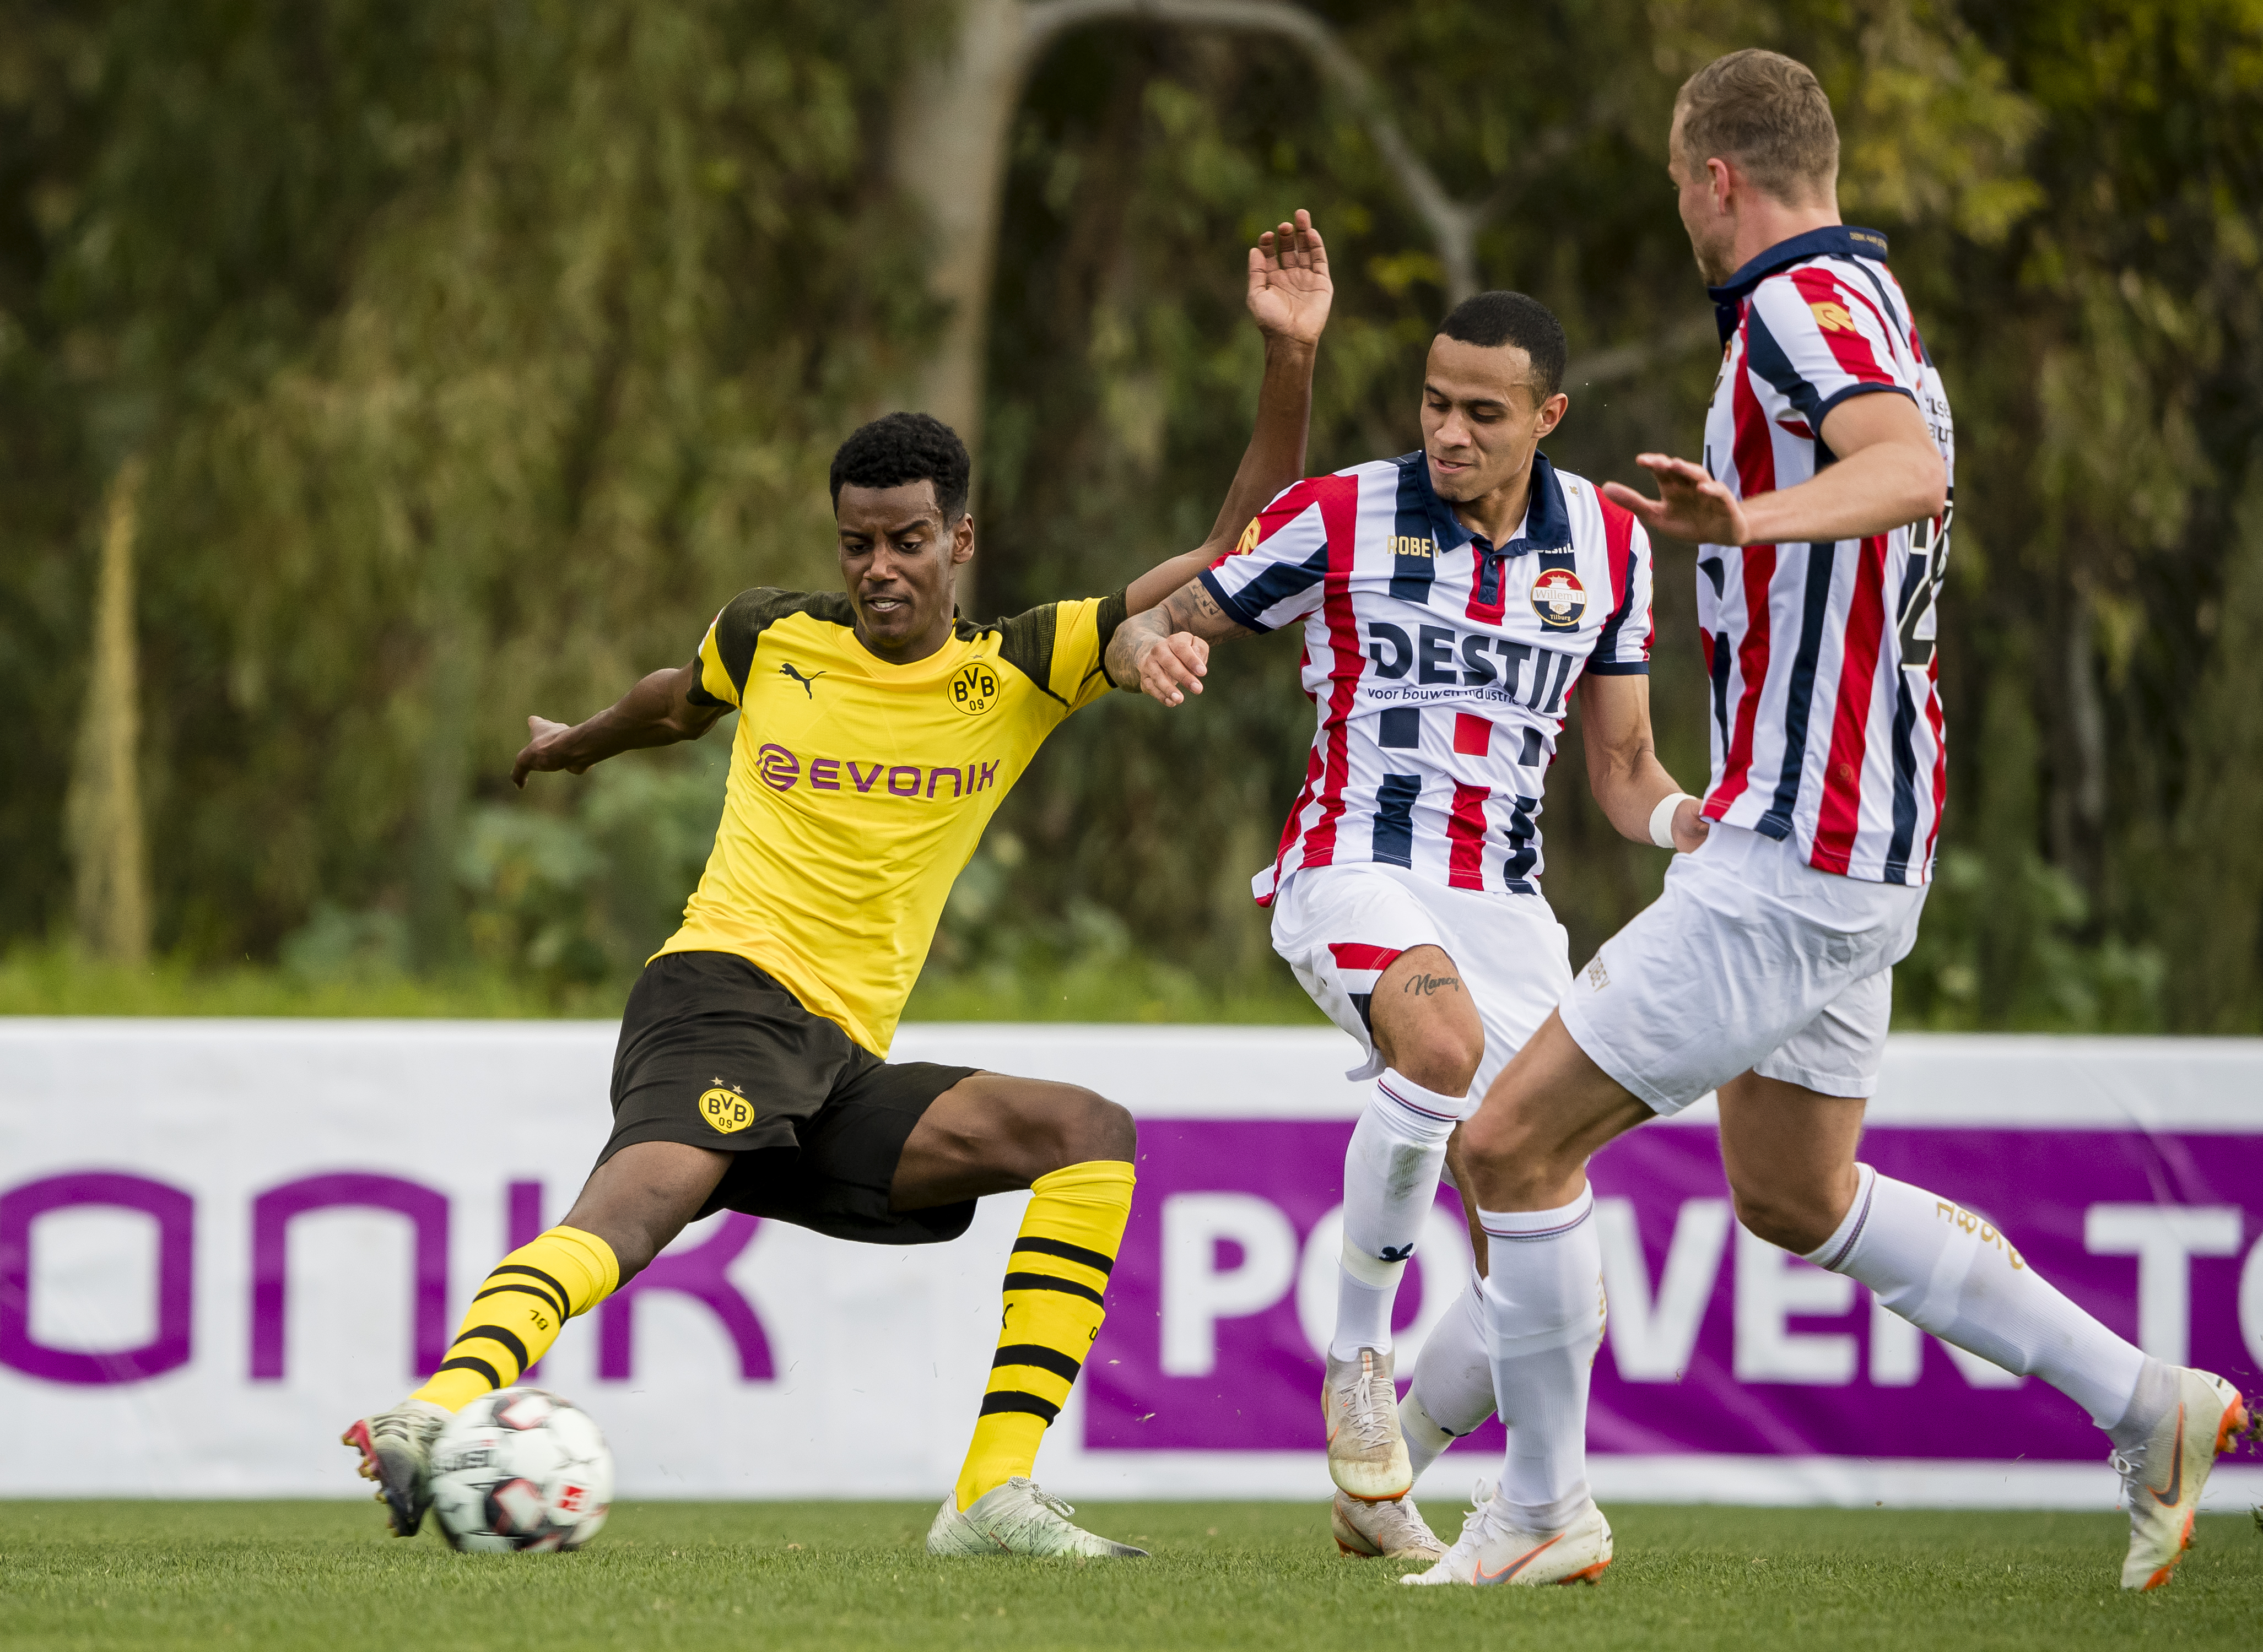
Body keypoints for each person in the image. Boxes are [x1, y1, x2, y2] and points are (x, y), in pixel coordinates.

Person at [342, 213, 1336, 1560]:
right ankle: (436, 1409)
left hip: (839, 1062)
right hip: (720, 995)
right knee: (632, 1217)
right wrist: (568, 744)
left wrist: (1287, 359)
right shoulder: (772, 633)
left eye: (907, 542)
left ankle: (989, 1498)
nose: (877, 568)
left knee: (1084, 1131)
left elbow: (1237, 552)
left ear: (959, 540)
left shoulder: (1023, 667)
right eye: (857, 543)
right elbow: (675, 700)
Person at [1405, 49, 2255, 1591]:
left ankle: (1531, 1506)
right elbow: (1901, 460)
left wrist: (1748, 519)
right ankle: (2146, 1407)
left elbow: (1905, 471)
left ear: (1715, 178)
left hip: (1803, 849)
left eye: (1677, 183)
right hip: (1855, 838)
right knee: (1792, 1191)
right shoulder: (1873, 312)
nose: (1679, 206)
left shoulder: (1798, 310)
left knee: (1509, 1145)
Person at [1110, 290, 1705, 1562]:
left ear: (1546, 416)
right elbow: (1168, 606)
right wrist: (1142, 648)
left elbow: (1623, 770)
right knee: (1432, 1047)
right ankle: (1354, 1358)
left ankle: (1380, 1489)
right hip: (1351, 866)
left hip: (1509, 908)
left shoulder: (1606, 540)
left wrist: (1686, 828)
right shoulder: (1342, 513)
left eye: (1481, 413)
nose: (1447, 432)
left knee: (1553, 1285)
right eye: (1433, 403)